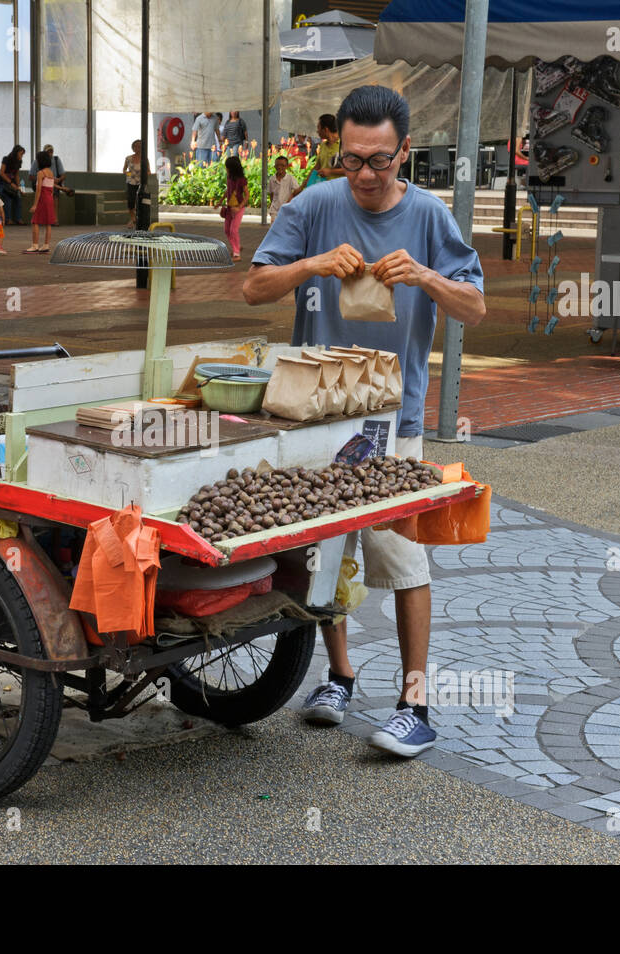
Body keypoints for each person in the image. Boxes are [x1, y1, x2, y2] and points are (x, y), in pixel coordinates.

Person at [242, 85, 485, 758]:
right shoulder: (316, 204)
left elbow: (475, 307)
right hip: (315, 415)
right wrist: (314, 264)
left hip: (392, 417)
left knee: (401, 555)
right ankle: (339, 677)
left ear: (405, 151)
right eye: (352, 160)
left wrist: (428, 278)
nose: (367, 176)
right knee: (325, 551)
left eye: (381, 161)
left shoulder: (431, 216)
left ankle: (415, 703)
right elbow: (253, 286)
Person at [292, 114, 343, 198]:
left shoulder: (344, 145)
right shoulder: (322, 145)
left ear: (326, 130)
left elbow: (352, 171)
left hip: (339, 194)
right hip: (325, 193)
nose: (317, 131)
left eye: (318, 128)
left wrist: (330, 172)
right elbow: (316, 168)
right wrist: (301, 187)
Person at [25, 151, 57, 254]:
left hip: (42, 199)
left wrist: (35, 204)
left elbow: (38, 190)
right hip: (50, 198)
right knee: (48, 223)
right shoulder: (51, 173)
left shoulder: (40, 173)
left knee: (35, 221)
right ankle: (46, 245)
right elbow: (51, 188)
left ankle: (35, 245)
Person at [220, 154, 248, 259]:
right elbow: (228, 190)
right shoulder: (229, 178)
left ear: (232, 169)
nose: (226, 169)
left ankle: (237, 254)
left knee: (233, 230)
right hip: (229, 208)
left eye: (227, 167)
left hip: (238, 208)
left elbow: (247, 195)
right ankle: (236, 247)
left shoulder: (242, 180)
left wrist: (239, 207)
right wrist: (221, 201)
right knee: (227, 230)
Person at [0, 146, 26, 225]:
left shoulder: (19, 162)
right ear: (16, 153)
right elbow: (2, 173)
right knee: (8, 198)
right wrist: (10, 183)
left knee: (18, 198)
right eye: (21, 154)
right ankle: (7, 219)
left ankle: (18, 218)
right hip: (3, 182)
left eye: (22, 155)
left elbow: (16, 174)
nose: (22, 156)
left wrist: (19, 187)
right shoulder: (6, 159)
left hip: (12, 183)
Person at [268, 154, 297, 219]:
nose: (279, 167)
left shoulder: (290, 179)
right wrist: (272, 204)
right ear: (274, 166)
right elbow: (271, 194)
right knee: (274, 227)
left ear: (287, 166)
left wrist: (290, 202)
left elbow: (297, 191)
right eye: (277, 165)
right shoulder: (272, 179)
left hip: (287, 209)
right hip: (274, 210)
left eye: (282, 165)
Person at [123, 140, 142, 226]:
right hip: (131, 182)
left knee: (140, 202)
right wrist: (128, 174)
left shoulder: (144, 159)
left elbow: (148, 171)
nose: (137, 148)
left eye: (139, 146)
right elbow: (124, 169)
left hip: (140, 183)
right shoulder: (128, 158)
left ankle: (138, 220)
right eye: (135, 146)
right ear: (133, 148)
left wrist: (143, 174)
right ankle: (132, 218)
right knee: (130, 202)